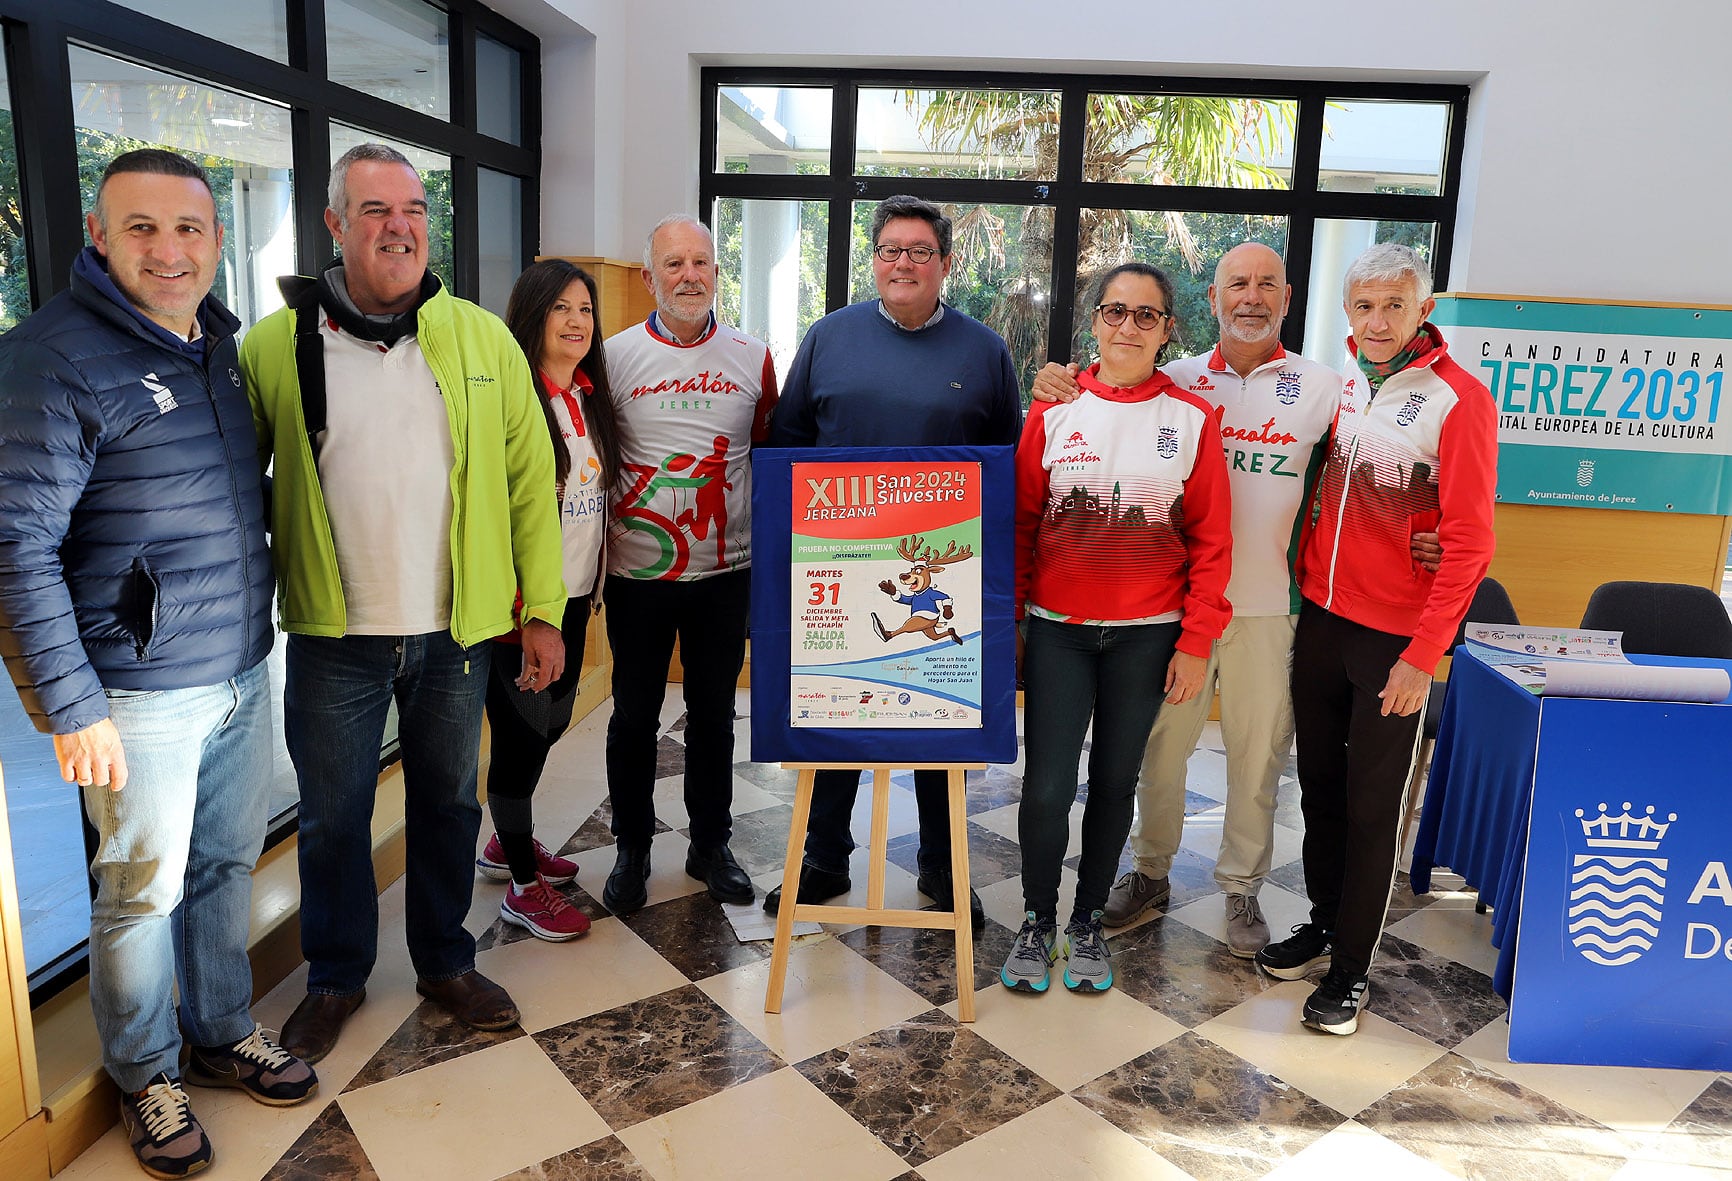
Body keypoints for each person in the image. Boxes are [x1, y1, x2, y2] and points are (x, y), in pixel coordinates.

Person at [0, 149, 315, 1180]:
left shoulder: (214, 344)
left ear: (217, 240)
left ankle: (221, 1029)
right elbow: (14, 541)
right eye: (142, 228)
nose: (169, 250)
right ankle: (146, 1073)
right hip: (134, 692)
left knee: (227, 863)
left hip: (233, 664)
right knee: (140, 890)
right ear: (99, 234)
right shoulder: (54, 356)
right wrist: (70, 702)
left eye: (189, 229)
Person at [241, 143, 565, 1062]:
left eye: (414, 209)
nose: (400, 226)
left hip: (453, 629)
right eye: (375, 209)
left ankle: (443, 958)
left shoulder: (480, 339)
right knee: (333, 815)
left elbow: (528, 481)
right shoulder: (275, 346)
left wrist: (539, 608)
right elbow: (232, 484)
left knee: (448, 804)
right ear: (336, 226)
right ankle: (337, 974)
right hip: (332, 633)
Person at [1029, 243, 1341, 957]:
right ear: (1210, 299)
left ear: (1287, 298)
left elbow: (1372, 472)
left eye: (1267, 285)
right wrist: (1056, 381)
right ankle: (1149, 873)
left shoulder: (1325, 387)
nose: (1252, 297)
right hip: (1171, 610)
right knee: (1160, 754)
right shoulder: (1174, 377)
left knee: (1257, 755)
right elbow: (1106, 391)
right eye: (1238, 284)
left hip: (1269, 604)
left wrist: (1426, 535)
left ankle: (1242, 887)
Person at [1254, 242, 1496, 1035]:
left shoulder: (1459, 400)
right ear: (1346, 313)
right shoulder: (1347, 383)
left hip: (1394, 641)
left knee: (1371, 807)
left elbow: (1468, 543)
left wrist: (1425, 655)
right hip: (1324, 620)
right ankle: (1325, 922)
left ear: (1424, 309)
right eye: (1365, 306)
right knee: (1319, 789)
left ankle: (1353, 968)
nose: (1379, 319)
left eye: (1396, 304)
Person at [765, 194, 1023, 930]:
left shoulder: (984, 351)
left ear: (944, 263)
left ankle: (943, 865)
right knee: (836, 713)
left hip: (945, 572)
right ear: (873, 260)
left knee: (940, 726)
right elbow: (787, 449)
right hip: (839, 567)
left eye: (918, 251)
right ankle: (823, 857)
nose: (902, 262)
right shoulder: (827, 337)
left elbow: (1004, 461)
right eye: (890, 250)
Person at [1002, 262, 1232, 993]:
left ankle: (1087, 921)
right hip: (1058, 633)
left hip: (1147, 636)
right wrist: (1009, 623)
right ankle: (1038, 918)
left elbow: (1212, 543)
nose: (1126, 326)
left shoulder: (1192, 420)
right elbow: (1021, 523)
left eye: (1145, 315)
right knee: (1044, 787)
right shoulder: (1052, 411)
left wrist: (1195, 642)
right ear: (1094, 322)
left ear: (1168, 330)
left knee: (1112, 783)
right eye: (1114, 311)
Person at [598, 215, 777, 914]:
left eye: (701, 262)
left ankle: (711, 843)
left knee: (713, 715)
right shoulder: (611, 357)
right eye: (674, 264)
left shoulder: (752, 357)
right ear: (648, 277)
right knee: (634, 716)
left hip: (725, 574)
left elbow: (767, 456)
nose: (690, 275)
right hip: (637, 575)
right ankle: (632, 847)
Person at [473, 260, 622, 941]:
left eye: (585, 309)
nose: (575, 321)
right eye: (560, 308)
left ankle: (510, 842)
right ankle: (523, 890)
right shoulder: (514, 399)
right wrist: (528, 610)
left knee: (545, 723)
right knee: (524, 732)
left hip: (568, 594)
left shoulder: (588, 396)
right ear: (531, 316)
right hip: (517, 605)